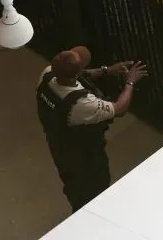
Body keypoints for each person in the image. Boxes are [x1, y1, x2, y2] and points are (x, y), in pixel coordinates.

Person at [37, 48, 148, 211]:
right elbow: (119, 109)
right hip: (83, 156)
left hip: (59, 146)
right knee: (93, 190)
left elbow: (81, 74)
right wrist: (130, 83)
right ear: (76, 74)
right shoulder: (81, 103)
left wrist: (107, 70)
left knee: (73, 186)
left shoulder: (47, 74)